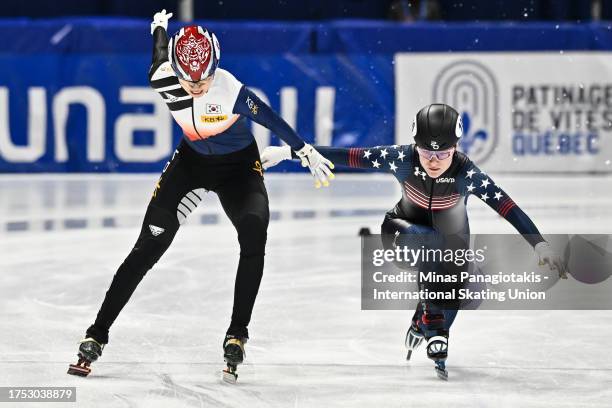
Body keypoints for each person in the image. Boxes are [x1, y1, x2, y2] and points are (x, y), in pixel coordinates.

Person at [67, 10, 334, 383]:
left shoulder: (229, 89)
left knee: (254, 231)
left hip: (239, 171)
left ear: (216, 67)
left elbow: (269, 118)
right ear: (176, 70)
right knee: (146, 248)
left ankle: (237, 333)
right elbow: (159, 52)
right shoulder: (162, 76)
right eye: (188, 80)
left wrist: (302, 149)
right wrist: (159, 28)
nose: (197, 87)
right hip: (190, 166)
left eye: (204, 79)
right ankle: (97, 332)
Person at [260, 103, 566, 380]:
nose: (433, 161)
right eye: (426, 153)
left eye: (443, 154)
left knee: (465, 285)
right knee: (433, 247)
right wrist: (289, 152)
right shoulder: (401, 158)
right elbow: (349, 157)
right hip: (400, 234)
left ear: (457, 148)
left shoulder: (467, 173)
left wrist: (540, 244)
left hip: (447, 252)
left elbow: (506, 206)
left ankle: (423, 320)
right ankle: (432, 319)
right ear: (415, 146)